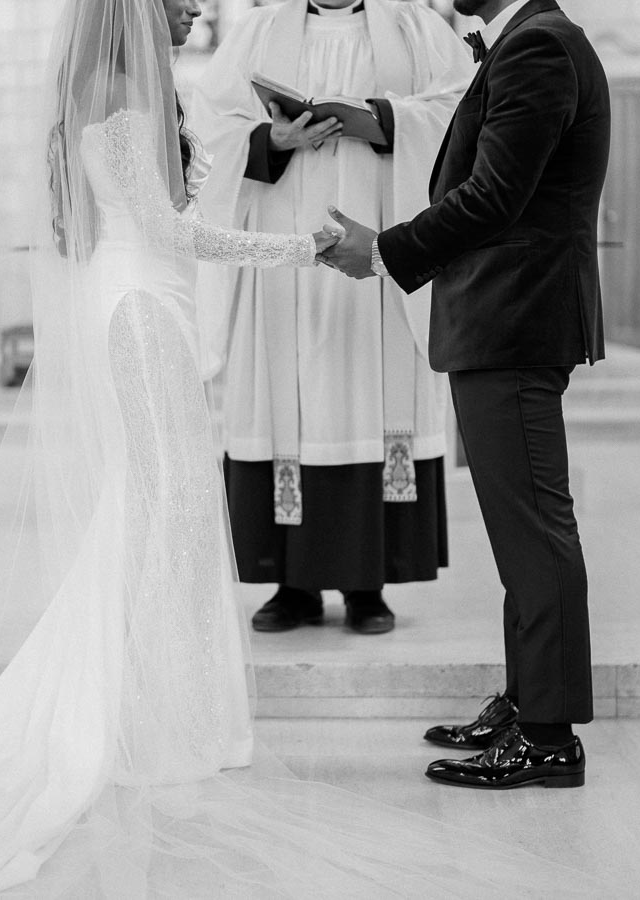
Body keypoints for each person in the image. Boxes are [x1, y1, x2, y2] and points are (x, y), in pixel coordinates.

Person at [0, 3, 607, 896]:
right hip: (144, 310)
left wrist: (336, 234)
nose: (196, 11)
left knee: (158, 513)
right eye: (181, 0)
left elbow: (178, 213)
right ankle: (136, 721)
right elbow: (171, 231)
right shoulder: (124, 90)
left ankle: (151, 714)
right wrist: (305, 247)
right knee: (161, 514)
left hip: (160, 307)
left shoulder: (135, 82)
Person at [320, 0, 610, 790]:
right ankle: (528, 703)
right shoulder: (530, 41)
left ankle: (548, 737)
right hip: (505, 318)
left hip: (514, 319)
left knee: (536, 531)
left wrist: (383, 250)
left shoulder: (540, 48)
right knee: (522, 534)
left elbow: (493, 197)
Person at [192, 0, 473, 635]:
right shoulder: (261, 31)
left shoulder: (413, 27)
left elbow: (464, 111)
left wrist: (385, 121)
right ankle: (292, 584)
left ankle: (367, 584)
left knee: (371, 399)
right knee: (288, 407)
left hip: (380, 260)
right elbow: (208, 131)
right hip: (281, 265)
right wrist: (271, 140)